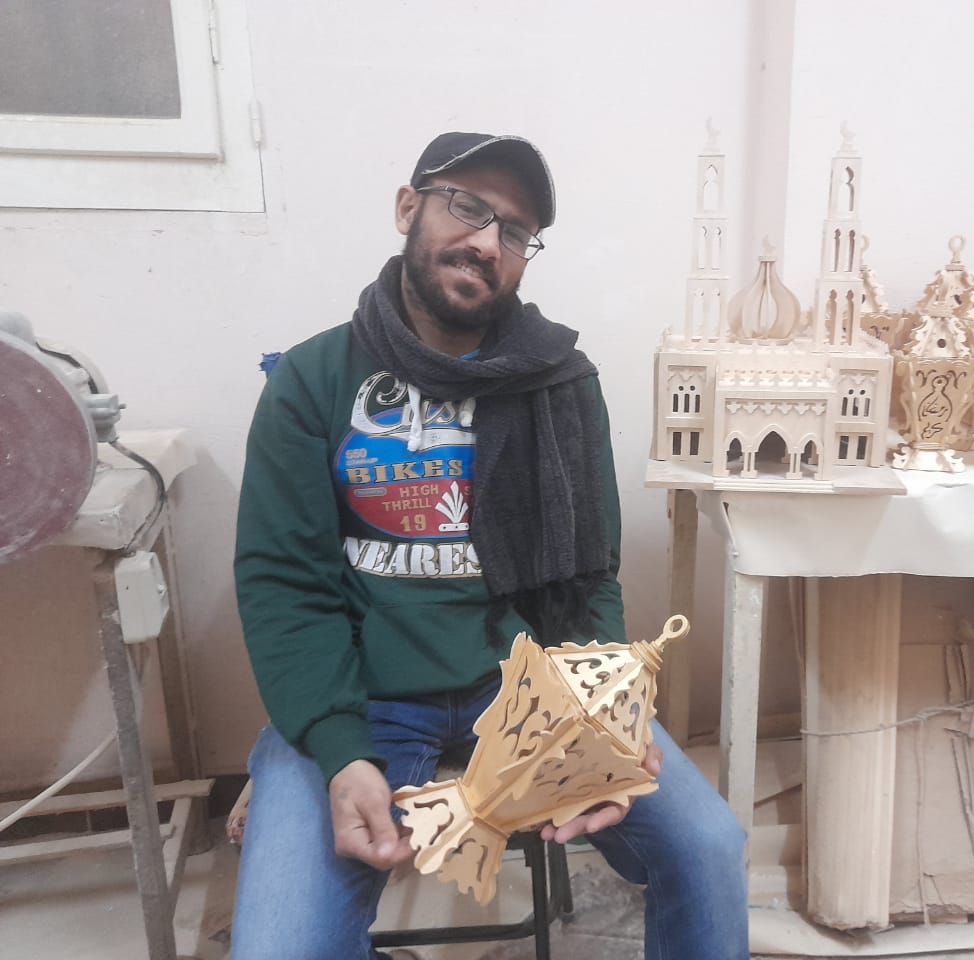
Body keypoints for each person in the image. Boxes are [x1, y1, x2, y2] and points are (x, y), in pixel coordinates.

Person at [230, 132, 749, 960]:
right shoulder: (313, 378)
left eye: (514, 231)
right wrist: (337, 750)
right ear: (409, 207)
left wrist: (604, 718)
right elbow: (284, 586)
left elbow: (587, 578)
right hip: (360, 692)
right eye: (467, 207)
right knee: (280, 947)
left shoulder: (559, 380)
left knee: (708, 846)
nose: (485, 241)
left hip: (525, 685)